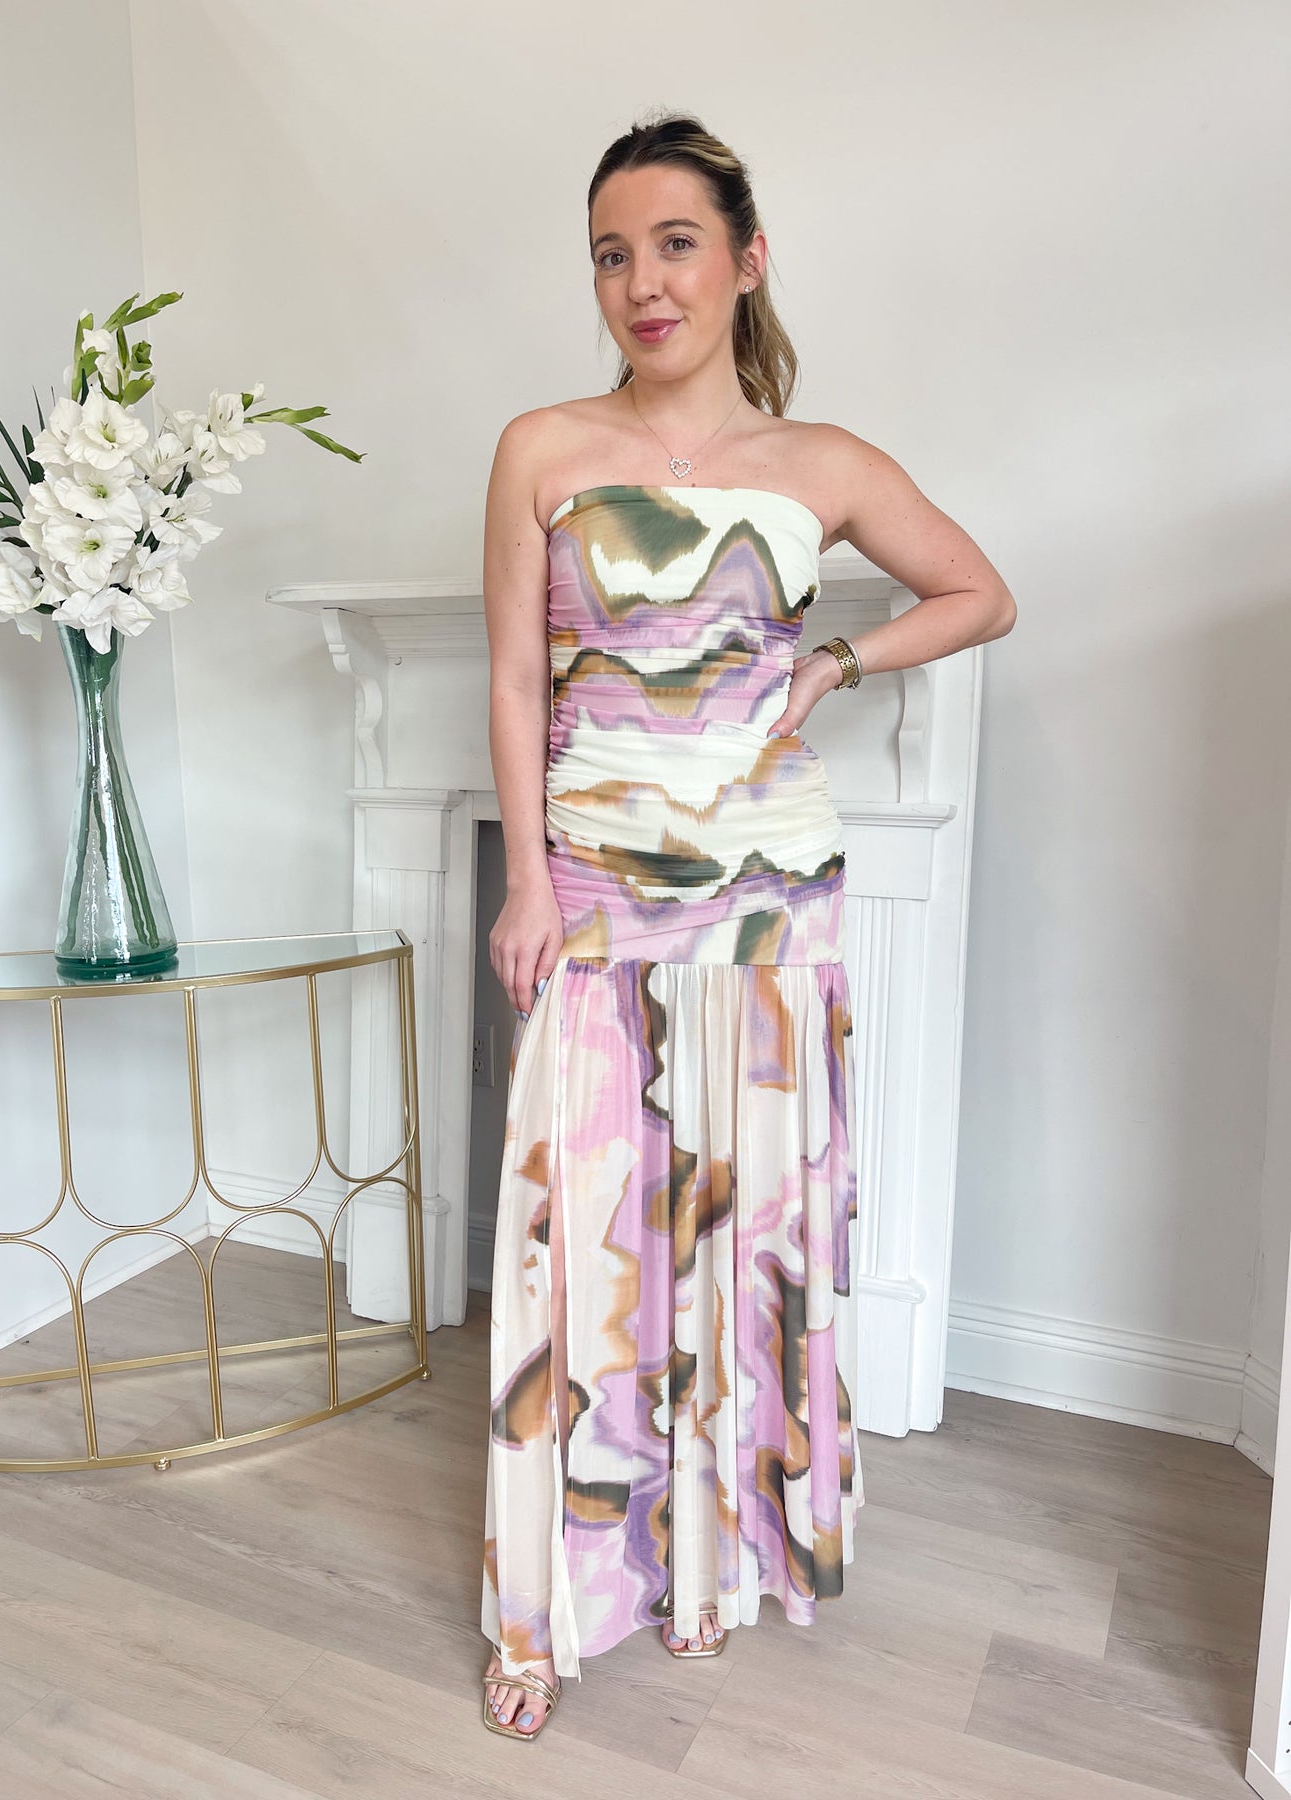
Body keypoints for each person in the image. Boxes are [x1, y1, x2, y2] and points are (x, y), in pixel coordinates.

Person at [478, 111, 1017, 1742]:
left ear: (744, 260)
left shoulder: (821, 464)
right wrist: (528, 883)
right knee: (579, 1250)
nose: (642, 282)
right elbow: (512, 677)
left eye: (674, 244)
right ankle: (541, 1608)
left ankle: (697, 1566)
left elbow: (978, 591)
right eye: (611, 254)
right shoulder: (539, 446)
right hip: (596, 896)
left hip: (770, 908)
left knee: (734, 1240)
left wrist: (834, 661)